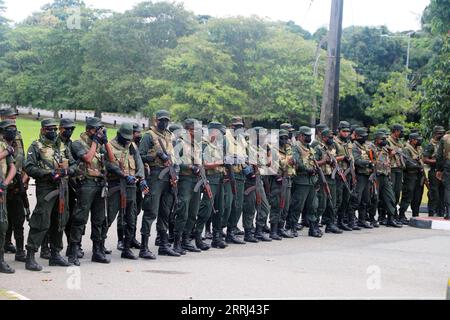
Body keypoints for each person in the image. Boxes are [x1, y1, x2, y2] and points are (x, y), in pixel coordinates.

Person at [24, 119, 76, 271]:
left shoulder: (62, 146)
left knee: (60, 220)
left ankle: (55, 254)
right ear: (42, 130)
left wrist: (67, 171)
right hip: (46, 188)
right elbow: (29, 167)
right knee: (41, 221)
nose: (52, 132)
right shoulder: (36, 146)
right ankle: (30, 256)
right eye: (49, 129)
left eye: (54, 129)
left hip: (62, 188)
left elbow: (74, 165)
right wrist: (48, 173)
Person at [68, 117, 113, 266]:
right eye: (96, 129)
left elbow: (112, 160)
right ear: (88, 130)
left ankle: (97, 251)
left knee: (99, 219)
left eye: (101, 129)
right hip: (86, 183)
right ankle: (73, 251)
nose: (99, 132)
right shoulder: (78, 143)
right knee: (80, 218)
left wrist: (105, 142)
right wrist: (95, 141)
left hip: (100, 183)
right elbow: (87, 158)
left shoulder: (100, 145)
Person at [102, 123, 149, 260]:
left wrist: (141, 178)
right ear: (118, 134)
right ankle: (99, 246)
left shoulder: (132, 146)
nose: (128, 140)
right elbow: (109, 164)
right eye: (125, 138)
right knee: (109, 216)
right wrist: (123, 175)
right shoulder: (109, 146)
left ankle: (127, 248)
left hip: (131, 186)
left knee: (131, 218)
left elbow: (139, 162)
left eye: (129, 138)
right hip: (116, 185)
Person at [139, 110, 180, 257]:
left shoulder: (169, 135)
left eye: (167, 120)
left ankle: (163, 244)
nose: (164, 123)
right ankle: (144, 247)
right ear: (156, 120)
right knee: (151, 211)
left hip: (169, 175)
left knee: (165, 211)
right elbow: (140, 156)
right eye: (162, 120)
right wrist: (155, 155)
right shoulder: (148, 136)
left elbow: (174, 157)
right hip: (155, 176)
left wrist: (175, 172)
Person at [171, 119, 204, 253]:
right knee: (182, 211)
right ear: (188, 130)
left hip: (196, 180)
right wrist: (190, 166)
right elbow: (175, 161)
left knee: (193, 212)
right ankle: (177, 242)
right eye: (195, 130)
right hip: (185, 180)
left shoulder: (197, 145)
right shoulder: (180, 143)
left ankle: (186, 240)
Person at [194, 122, 227, 249]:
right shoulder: (204, 144)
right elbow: (204, 163)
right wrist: (220, 162)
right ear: (213, 131)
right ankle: (197, 236)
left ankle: (216, 238)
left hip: (219, 179)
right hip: (209, 179)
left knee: (220, 208)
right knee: (206, 208)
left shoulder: (217, 146)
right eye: (219, 132)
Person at [1, 108, 28, 257]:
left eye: (15, 119)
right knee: (4, 218)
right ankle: (5, 243)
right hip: (3, 181)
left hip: (17, 181)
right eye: (11, 118)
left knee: (17, 216)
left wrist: (24, 175)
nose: (14, 121)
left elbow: (21, 156)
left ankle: (18, 249)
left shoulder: (17, 135)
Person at [289, 126, 322, 238]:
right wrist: (308, 169)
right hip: (301, 180)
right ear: (301, 136)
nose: (309, 138)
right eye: (307, 136)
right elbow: (297, 162)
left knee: (313, 206)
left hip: (311, 181)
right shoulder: (296, 147)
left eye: (310, 136)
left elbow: (313, 161)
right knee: (297, 205)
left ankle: (313, 228)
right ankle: (292, 227)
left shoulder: (309, 148)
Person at [222, 116, 247, 245]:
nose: (239, 128)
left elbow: (245, 155)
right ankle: (219, 230)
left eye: (241, 126)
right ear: (231, 126)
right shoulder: (226, 138)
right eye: (237, 126)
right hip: (229, 175)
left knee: (238, 205)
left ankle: (231, 232)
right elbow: (223, 157)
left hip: (241, 175)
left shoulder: (242, 140)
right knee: (227, 204)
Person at [267, 129, 296, 240]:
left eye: (285, 138)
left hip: (287, 179)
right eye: (281, 138)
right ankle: (273, 230)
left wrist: (290, 161)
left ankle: (281, 228)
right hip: (277, 180)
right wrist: (287, 161)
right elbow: (275, 164)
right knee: (276, 205)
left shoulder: (288, 148)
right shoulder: (273, 149)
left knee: (286, 206)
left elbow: (293, 161)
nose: (284, 140)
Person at [314, 128, 343, 234]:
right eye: (330, 137)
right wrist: (324, 161)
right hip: (322, 178)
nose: (332, 139)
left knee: (332, 202)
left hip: (332, 177)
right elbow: (314, 162)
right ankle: (315, 225)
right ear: (324, 137)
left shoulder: (332, 147)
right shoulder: (318, 148)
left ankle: (330, 224)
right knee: (321, 203)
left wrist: (334, 162)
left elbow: (334, 160)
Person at [372, 130, 402, 228]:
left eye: (385, 139)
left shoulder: (385, 149)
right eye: (383, 139)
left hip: (385, 176)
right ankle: (371, 218)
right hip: (375, 176)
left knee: (390, 197)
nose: (385, 141)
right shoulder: (371, 148)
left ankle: (391, 218)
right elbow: (370, 161)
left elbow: (388, 160)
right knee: (374, 198)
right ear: (376, 139)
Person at [0, 120, 18, 274]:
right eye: (9, 129)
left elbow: (12, 167)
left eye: (14, 128)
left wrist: (5, 183)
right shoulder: (6, 148)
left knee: (2, 224)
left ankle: (0, 260)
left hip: (1, 189)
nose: (12, 131)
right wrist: (6, 152)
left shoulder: (7, 146)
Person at [348, 127, 374, 229]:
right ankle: (351, 221)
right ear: (357, 136)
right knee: (355, 199)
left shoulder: (365, 146)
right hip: (359, 176)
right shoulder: (354, 147)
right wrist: (369, 163)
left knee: (365, 199)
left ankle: (362, 220)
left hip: (367, 175)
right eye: (362, 136)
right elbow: (357, 161)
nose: (365, 137)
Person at [334, 121, 355, 231]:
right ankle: (332, 222)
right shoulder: (334, 142)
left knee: (346, 199)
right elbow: (331, 158)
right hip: (338, 174)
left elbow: (351, 157)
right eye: (344, 131)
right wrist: (342, 158)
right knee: (338, 199)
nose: (346, 133)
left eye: (348, 131)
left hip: (348, 173)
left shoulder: (348, 143)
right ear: (339, 131)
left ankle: (341, 221)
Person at [399, 133, 425, 219]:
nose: (419, 141)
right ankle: (402, 214)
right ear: (412, 140)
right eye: (417, 139)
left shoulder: (419, 148)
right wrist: (417, 165)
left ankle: (415, 215)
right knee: (408, 195)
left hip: (419, 175)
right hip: (410, 175)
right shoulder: (406, 149)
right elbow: (407, 164)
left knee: (418, 196)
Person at [423, 126, 446, 217]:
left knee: (443, 194)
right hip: (434, 172)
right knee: (434, 193)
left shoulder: (444, 144)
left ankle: (441, 213)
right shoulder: (430, 145)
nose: (442, 135)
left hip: (444, 172)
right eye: (440, 133)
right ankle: (432, 212)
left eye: (443, 133)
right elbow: (425, 159)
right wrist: (438, 161)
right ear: (435, 134)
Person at [387, 124, 405, 224]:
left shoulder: (399, 142)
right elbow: (384, 155)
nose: (402, 133)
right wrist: (392, 153)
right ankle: (390, 214)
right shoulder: (388, 141)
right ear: (396, 131)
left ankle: (394, 213)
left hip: (399, 168)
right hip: (391, 169)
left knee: (397, 192)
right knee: (391, 192)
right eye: (400, 131)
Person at [436, 127, 450, 220]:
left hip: (448, 163)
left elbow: (439, 155)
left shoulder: (444, 138)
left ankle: (448, 212)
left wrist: (439, 169)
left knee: (448, 188)